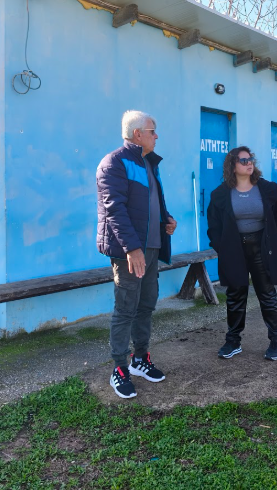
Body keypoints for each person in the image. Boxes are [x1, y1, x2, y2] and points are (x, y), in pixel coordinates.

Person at [96, 110, 177, 399]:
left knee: (146, 305)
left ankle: (140, 359)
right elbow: (115, 210)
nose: (157, 136)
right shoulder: (114, 163)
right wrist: (132, 249)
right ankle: (119, 368)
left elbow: (150, 203)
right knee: (126, 308)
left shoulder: (149, 163)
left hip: (152, 247)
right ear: (137, 134)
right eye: (153, 131)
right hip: (129, 252)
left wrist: (166, 219)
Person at [207, 146, 277, 361]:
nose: (249, 163)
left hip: (262, 248)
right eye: (243, 160)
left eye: (250, 159)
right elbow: (214, 225)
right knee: (235, 296)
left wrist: (275, 243)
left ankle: (276, 340)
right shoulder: (221, 194)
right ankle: (233, 341)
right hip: (235, 249)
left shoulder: (268, 189)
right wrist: (223, 248)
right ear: (232, 166)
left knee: (267, 295)